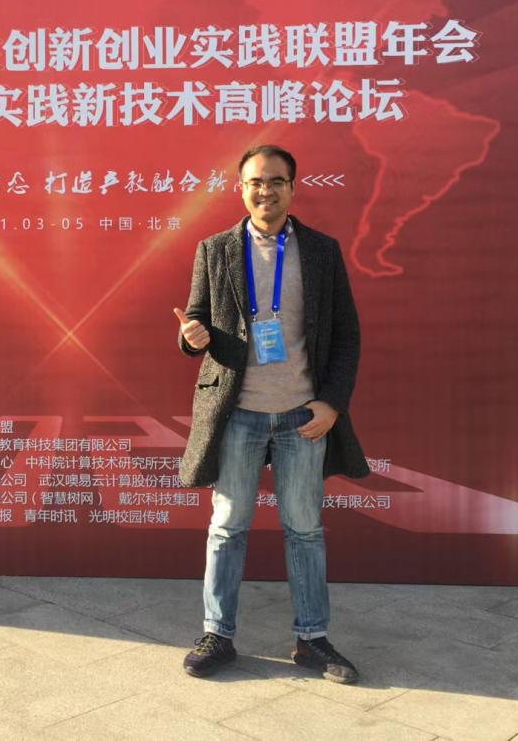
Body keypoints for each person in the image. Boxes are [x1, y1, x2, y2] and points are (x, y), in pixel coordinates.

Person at [175, 144, 369, 683]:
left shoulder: (322, 252)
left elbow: (347, 335)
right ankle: (217, 634)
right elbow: (196, 320)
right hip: (237, 412)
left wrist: (331, 403)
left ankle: (312, 639)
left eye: (276, 181)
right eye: (256, 182)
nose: (266, 191)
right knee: (227, 527)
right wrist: (191, 337)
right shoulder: (215, 249)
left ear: (293, 188)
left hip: (301, 418)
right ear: (241, 188)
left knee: (304, 530)